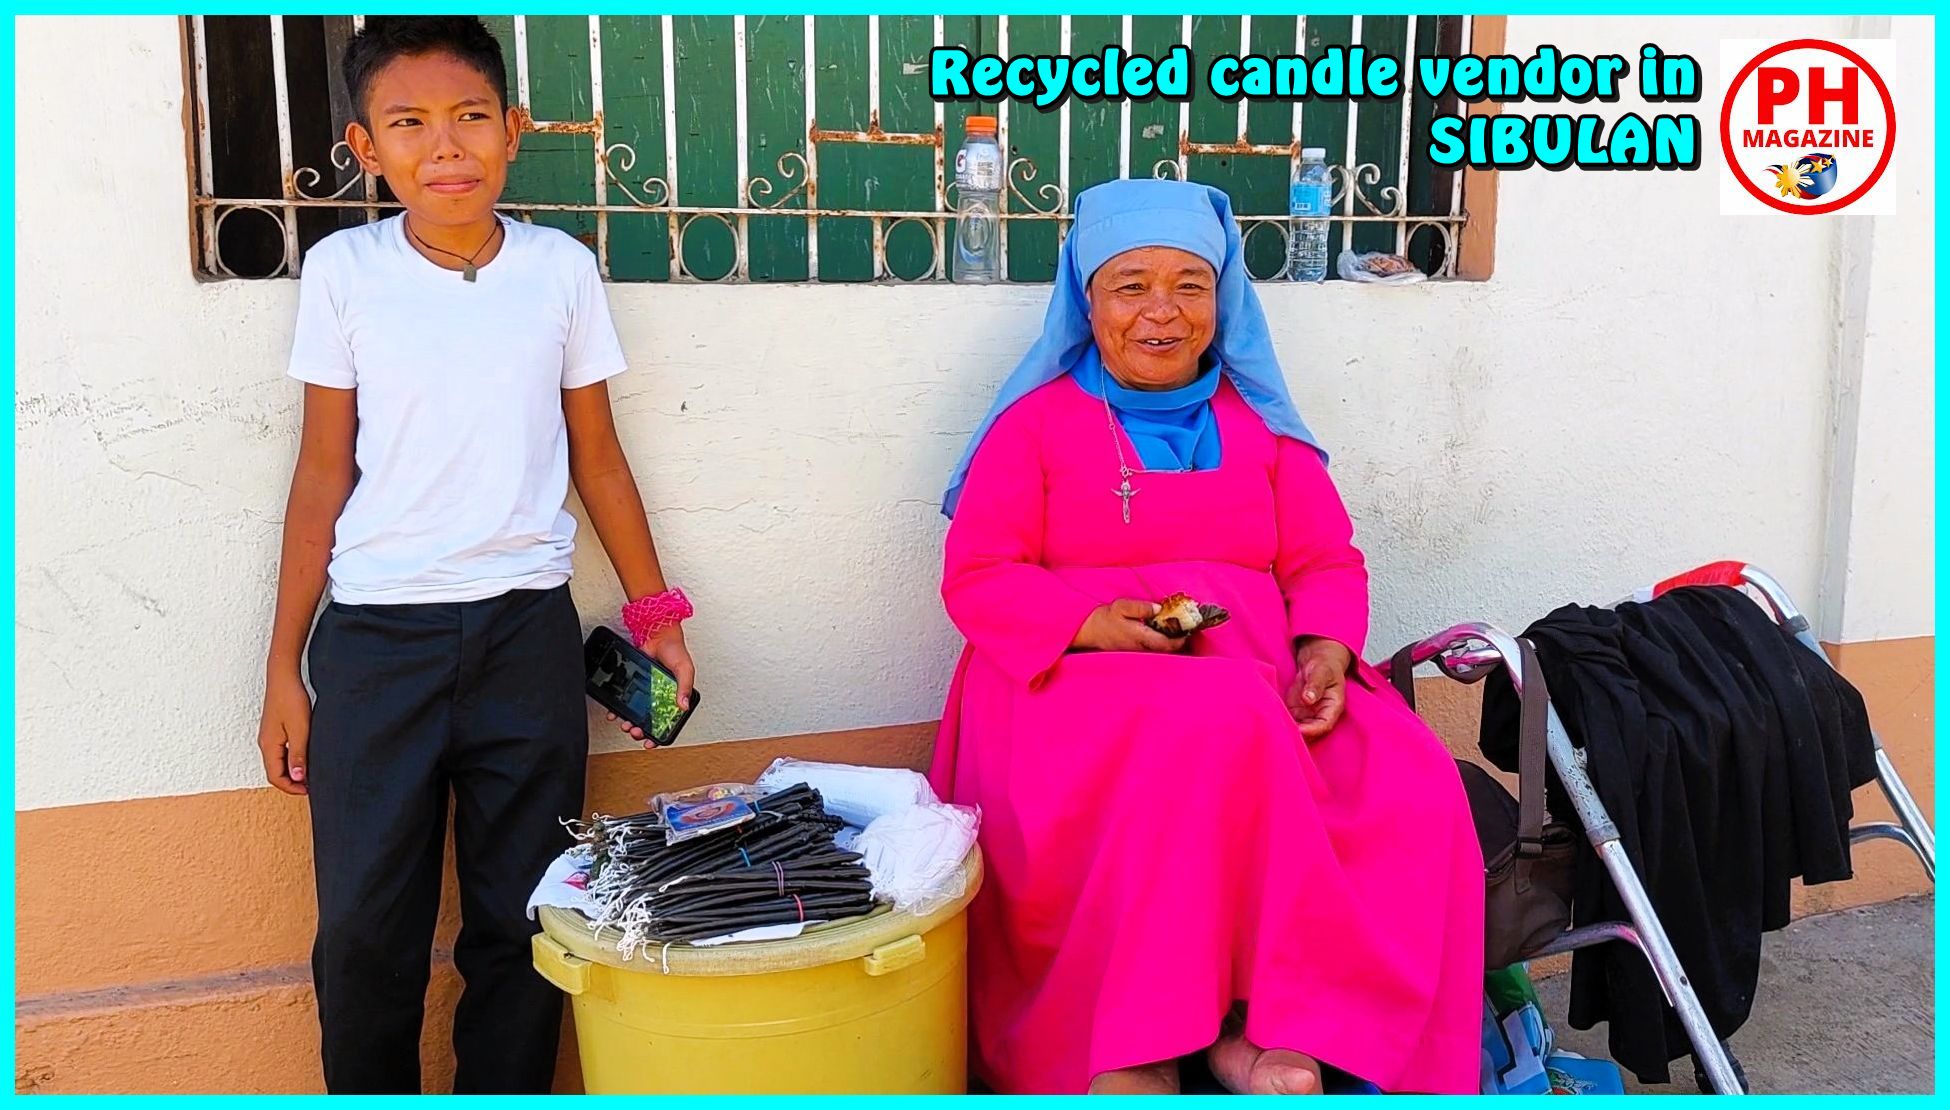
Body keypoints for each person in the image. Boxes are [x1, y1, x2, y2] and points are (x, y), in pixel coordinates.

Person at [929, 178, 1484, 1095]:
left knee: (1411, 774)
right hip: (1064, 694)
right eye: (1130, 285)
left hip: (1256, 686)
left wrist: (1327, 652)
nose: (1161, 312)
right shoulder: (1034, 427)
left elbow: (1324, 561)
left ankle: (1269, 1025)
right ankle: (1142, 1042)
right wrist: (1087, 622)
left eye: (1189, 284)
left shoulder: (1260, 425)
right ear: (1087, 298)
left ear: (1221, 298)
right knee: (1217, 724)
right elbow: (977, 577)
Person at [252, 17, 695, 1094]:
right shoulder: (344, 271)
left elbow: (599, 456)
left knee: (524, 918)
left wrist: (657, 619)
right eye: (409, 124)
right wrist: (281, 668)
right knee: (365, 927)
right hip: (375, 647)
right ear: (365, 146)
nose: (443, 147)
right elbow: (322, 471)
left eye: (469, 118)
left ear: (514, 130)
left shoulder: (560, 270)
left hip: (523, 640)